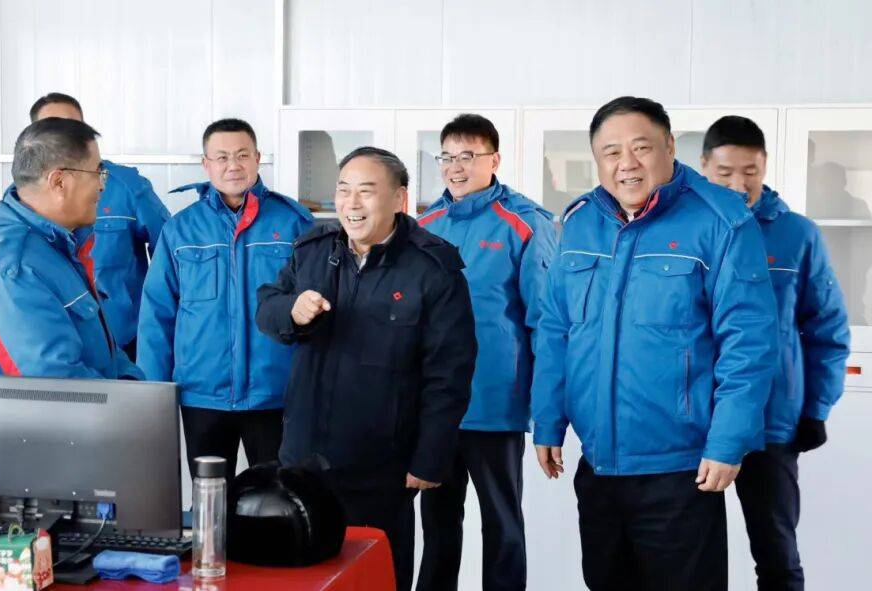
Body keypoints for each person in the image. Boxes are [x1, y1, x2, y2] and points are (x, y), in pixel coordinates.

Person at [530, 96, 780, 591]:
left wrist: (728, 442)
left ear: (669, 146)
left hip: (681, 470)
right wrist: (548, 419)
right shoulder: (580, 221)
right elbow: (556, 329)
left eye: (641, 147)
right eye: (611, 152)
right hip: (598, 464)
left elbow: (748, 343)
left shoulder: (720, 220)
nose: (626, 163)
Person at [256, 147, 477, 591]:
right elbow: (267, 307)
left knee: (378, 576)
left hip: (382, 465)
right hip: (305, 457)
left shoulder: (432, 267)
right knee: (305, 576)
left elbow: (449, 373)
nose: (351, 203)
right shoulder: (313, 250)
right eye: (344, 190)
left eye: (366, 191)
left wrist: (430, 457)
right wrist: (291, 311)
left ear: (399, 199)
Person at [701, 115, 850, 591]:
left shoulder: (797, 235)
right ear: (703, 167)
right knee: (687, 560)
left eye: (750, 171)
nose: (738, 184)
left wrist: (816, 408)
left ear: (765, 166)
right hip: (693, 422)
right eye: (725, 172)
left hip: (771, 422)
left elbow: (826, 328)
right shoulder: (683, 231)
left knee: (776, 553)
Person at [416, 114, 557, 591]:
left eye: (468, 156)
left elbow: (545, 322)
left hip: (495, 402)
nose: (455, 167)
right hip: (436, 405)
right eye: (447, 157)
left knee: (502, 523)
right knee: (437, 524)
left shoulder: (525, 223)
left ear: (494, 160)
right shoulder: (424, 225)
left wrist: (546, 409)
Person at [137, 118, 313, 479]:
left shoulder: (294, 223)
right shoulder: (181, 229)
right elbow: (157, 315)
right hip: (202, 393)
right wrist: (152, 395)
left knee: (278, 499)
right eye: (222, 157)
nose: (233, 165)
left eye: (242, 155)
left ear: (258, 158)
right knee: (210, 498)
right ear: (206, 164)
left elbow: (315, 310)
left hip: (275, 392)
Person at [0, 117, 141, 379]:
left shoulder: (57, 245)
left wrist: (139, 391)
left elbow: (107, 355)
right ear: (59, 181)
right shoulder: (12, 270)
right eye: (97, 172)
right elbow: (56, 384)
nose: (102, 185)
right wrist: (129, 401)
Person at [28, 92, 171, 358]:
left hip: (123, 341)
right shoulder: (25, 196)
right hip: (54, 344)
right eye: (52, 128)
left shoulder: (126, 186)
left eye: (73, 127)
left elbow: (171, 255)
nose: (64, 137)